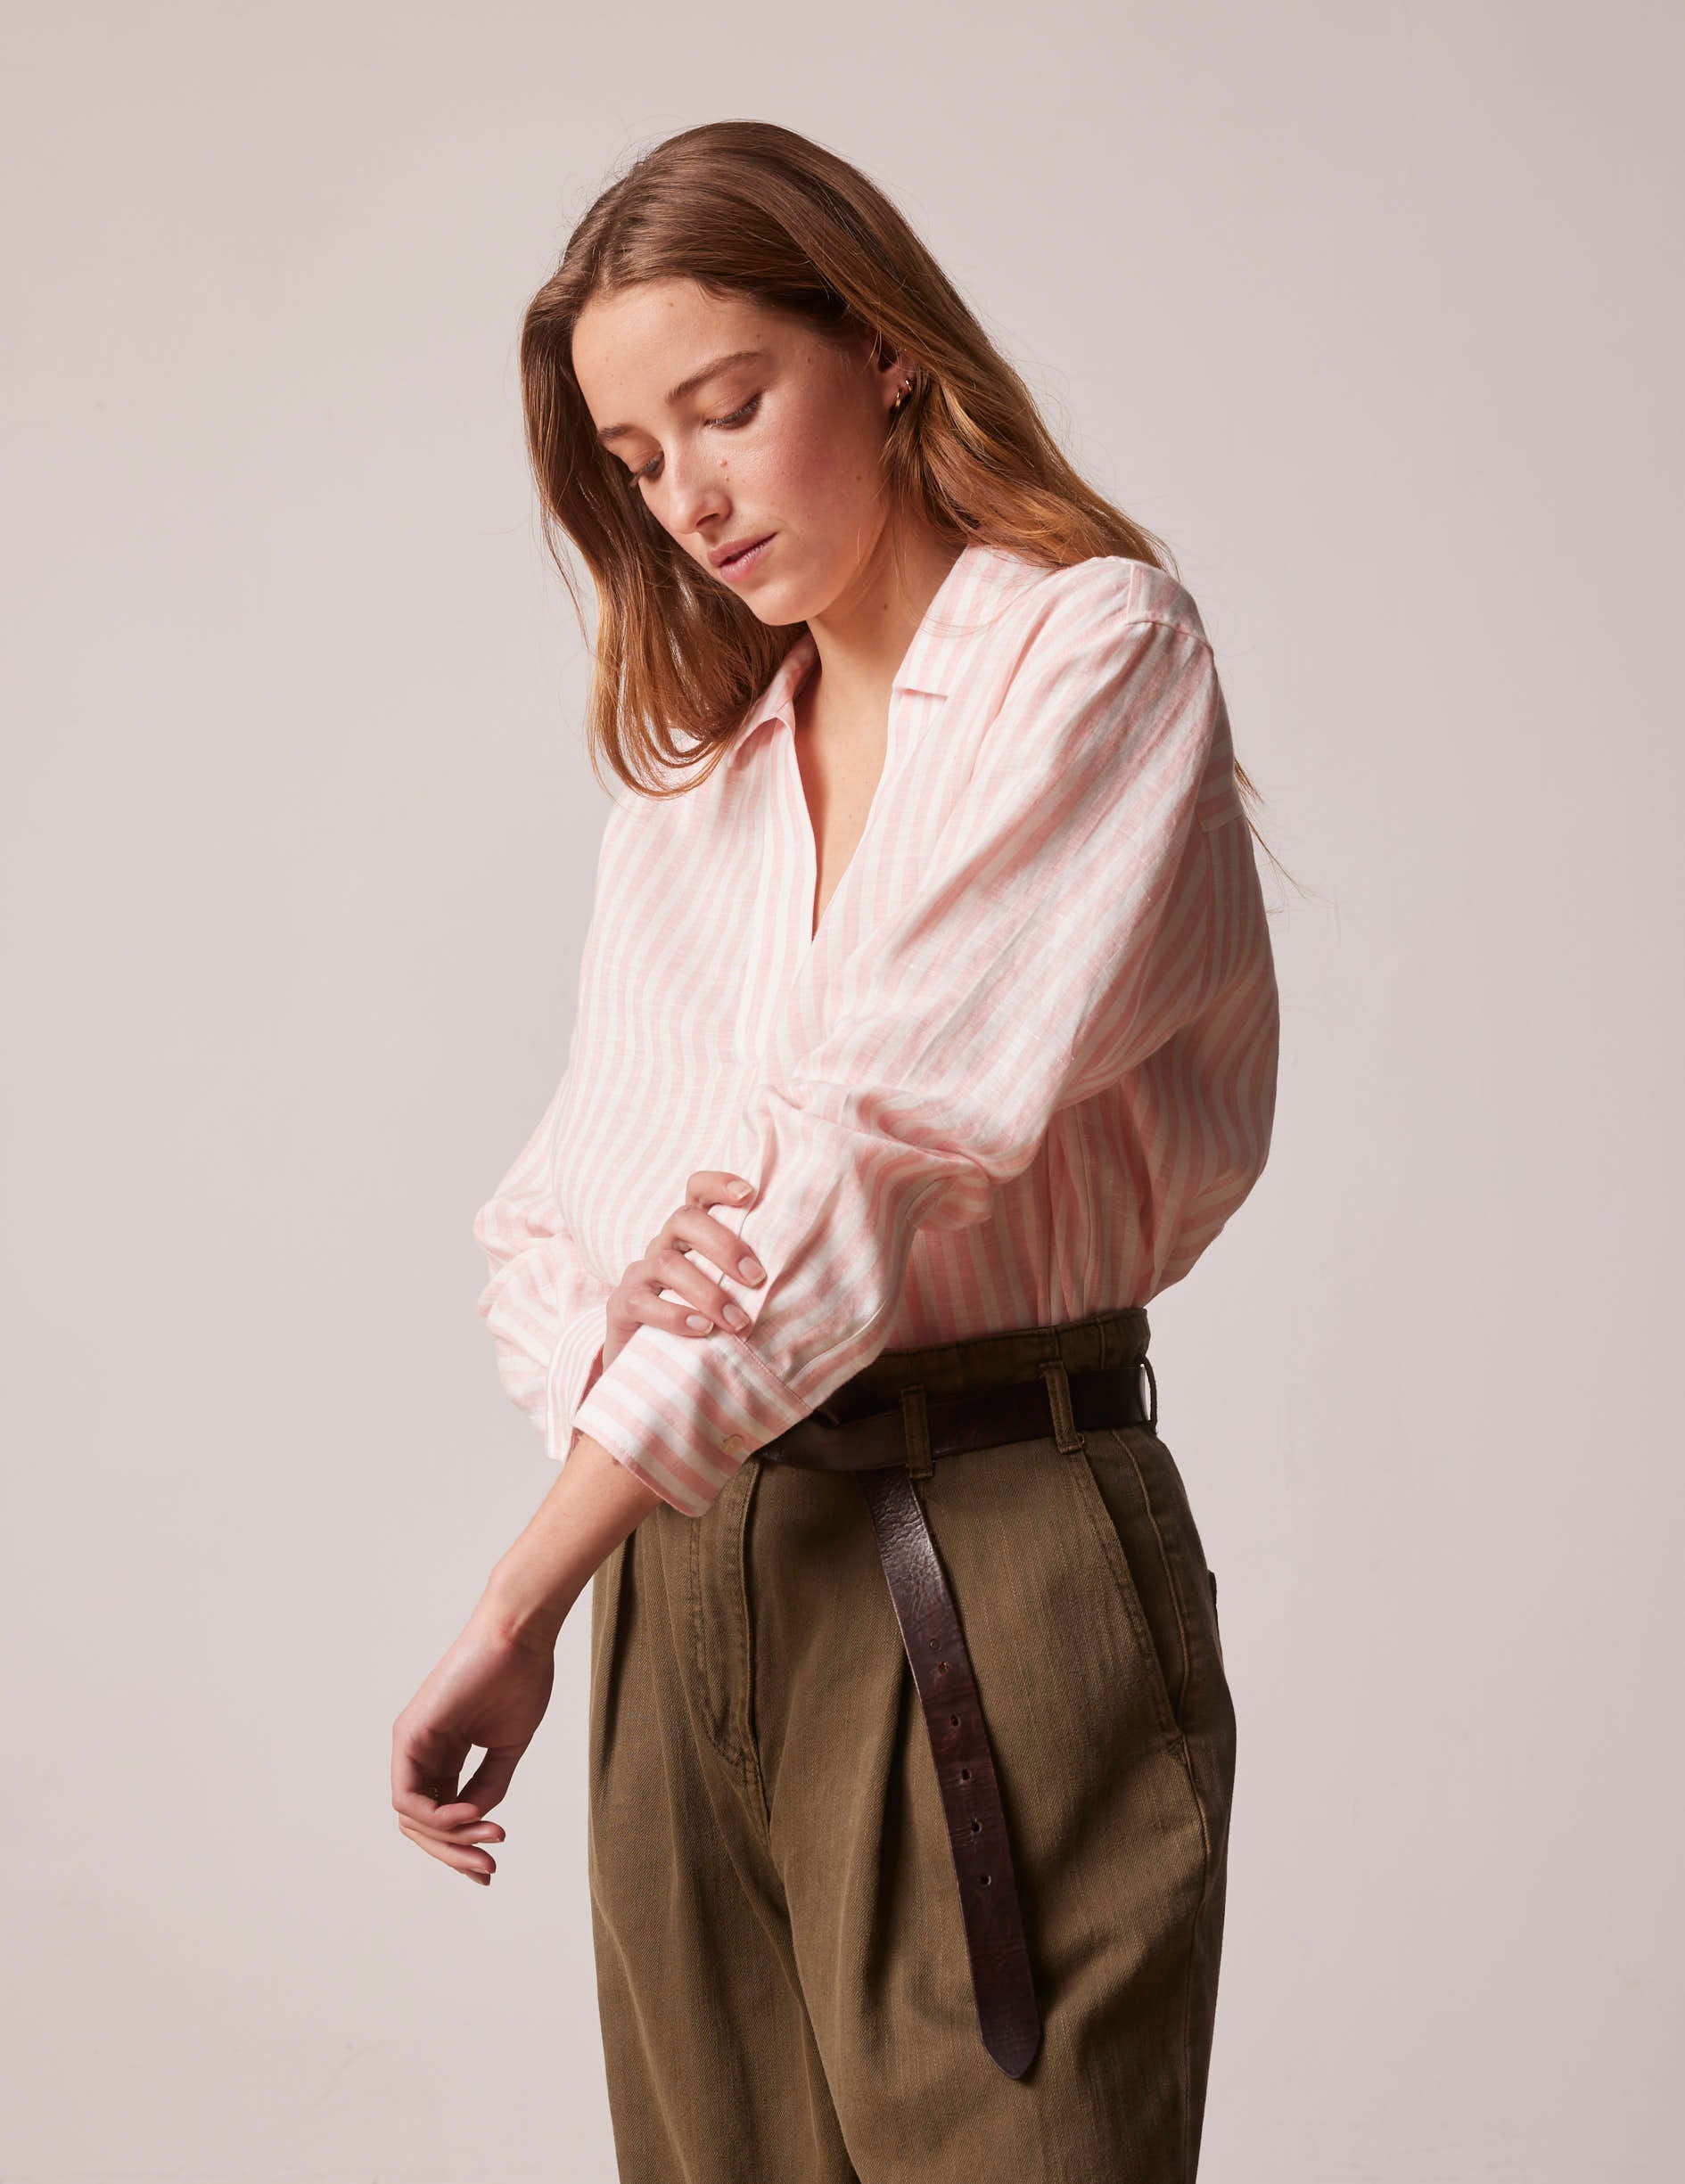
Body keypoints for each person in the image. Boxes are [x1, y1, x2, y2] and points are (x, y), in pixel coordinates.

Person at [390, 119, 1281, 2183]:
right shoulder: (697, 791)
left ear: (882, 347)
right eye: (636, 459)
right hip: (688, 1569)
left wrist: (521, 1594)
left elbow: (863, 1152)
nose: (689, 498)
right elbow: (555, 1217)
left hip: (984, 1543)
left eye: (727, 407)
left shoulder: (1092, 659)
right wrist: (628, 1295)